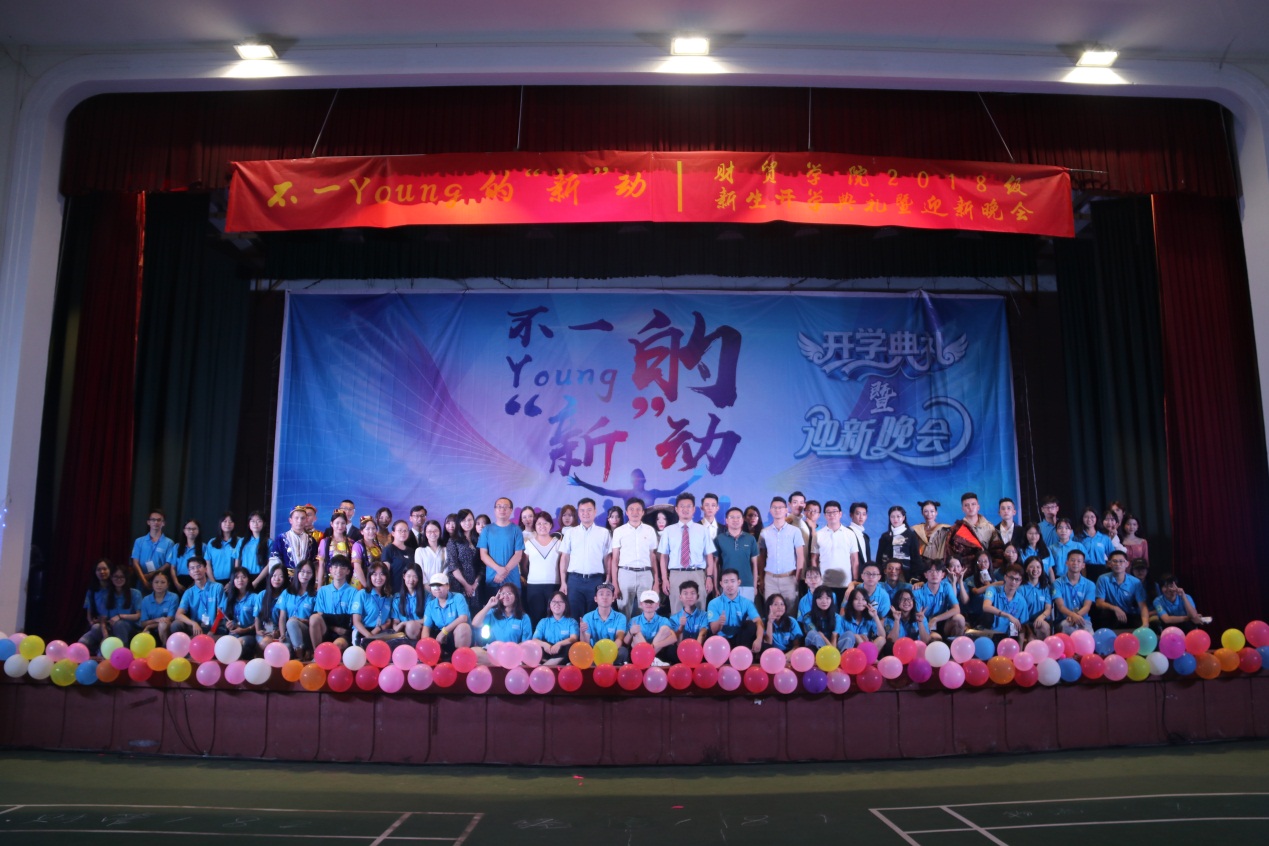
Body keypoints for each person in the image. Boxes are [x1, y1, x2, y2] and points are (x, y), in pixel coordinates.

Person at [658, 493, 716, 615]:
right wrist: (664, 579)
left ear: (694, 509)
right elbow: (664, 557)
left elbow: (709, 556)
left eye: (689, 506)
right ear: (676, 509)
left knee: (699, 609)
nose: (685, 509)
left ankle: (699, 629)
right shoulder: (668, 530)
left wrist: (709, 577)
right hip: (676, 574)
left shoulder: (702, 530)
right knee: (677, 610)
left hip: (698, 573)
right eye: (682, 506)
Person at [559, 498, 612, 619]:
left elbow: (607, 558)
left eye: (589, 510)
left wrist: (608, 578)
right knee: (573, 615)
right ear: (578, 513)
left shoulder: (604, 533)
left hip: (596, 580)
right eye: (582, 510)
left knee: (594, 617)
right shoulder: (571, 533)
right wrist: (563, 582)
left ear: (595, 511)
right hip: (574, 580)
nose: (585, 513)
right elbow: (565, 557)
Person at [610, 497, 659, 619]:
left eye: (638, 509)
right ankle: (624, 632)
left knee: (646, 611)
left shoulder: (650, 530)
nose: (635, 512)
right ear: (626, 512)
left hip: (645, 574)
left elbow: (653, 557)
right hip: (625, 574)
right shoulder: (619, 531)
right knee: (623, 611)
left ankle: (642, 632)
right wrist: (615, 583)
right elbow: (615, 559)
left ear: (643, 512)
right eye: (631, 509)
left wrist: (656, 581)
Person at [81, 563, 142, 653]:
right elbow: (103, 619)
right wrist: (105, 636)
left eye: (122, 577)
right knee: (90, 634)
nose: (118, 579)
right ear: (111, 578)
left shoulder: (135, 593)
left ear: (126, 578)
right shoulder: (107, 594)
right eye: (116, 577)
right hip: (110, 628)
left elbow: (138, 615)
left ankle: (122, 651)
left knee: (119, 624)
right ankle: (101, 649)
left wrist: (120, 616)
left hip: (129, 628)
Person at [758, 496, 804, 611]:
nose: (777, 510)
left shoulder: (795, 531)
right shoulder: (764, 532)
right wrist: (762, 578)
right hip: (770, 579)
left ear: (786, 510)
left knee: (790, 613)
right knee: (771, 613)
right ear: (770, 510)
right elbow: (761, 557)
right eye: (774, 507)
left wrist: (797, 578)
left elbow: (800, 556)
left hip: (789, 578)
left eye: (780, 507)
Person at [478, 497, 526, 604]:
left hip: (512, 580)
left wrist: (503, 572)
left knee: (514, 611)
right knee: (493, 612)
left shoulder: (516, 529)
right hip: (493, 579)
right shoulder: (487, 530)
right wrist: (498, 569)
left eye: (505, 507)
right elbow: (483, 555)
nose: (502, 509)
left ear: (511, 510)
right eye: (499, 507)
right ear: (495, 510)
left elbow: (518, 555)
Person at [943, 492, 1003, 572]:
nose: (970, 507)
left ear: (978, 507)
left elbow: (997, 552)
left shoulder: (989, 527)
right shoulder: (956, 529)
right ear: (962, 509)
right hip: (965, 572)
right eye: (966, 505)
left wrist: (992, 568)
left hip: (987, 570)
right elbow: (949, 554)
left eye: (973, 504)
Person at [707, 569, 764, 653]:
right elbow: (713, 630)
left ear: (738, 582)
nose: (729, 585)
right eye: (726, 582)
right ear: (721, 584)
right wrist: (719, 622)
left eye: (732, 581)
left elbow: (759, 622)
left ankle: (742, 653)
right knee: (709, 634)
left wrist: (759, 639)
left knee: (750, 625)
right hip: (721, 640)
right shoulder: (713, 603)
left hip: (740, 639)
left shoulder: (747, 602)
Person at [813, 499, 858, 605]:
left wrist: (855, 581)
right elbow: (814, 559)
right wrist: (816, 580)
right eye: (828, 512)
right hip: (824, 583)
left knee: (843, 611)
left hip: (845, 583)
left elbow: (854, 560)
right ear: (825, 515)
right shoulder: (818, 535)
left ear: (840, 514)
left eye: (834, 511)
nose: (832, 514)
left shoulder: (850, 534)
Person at [713, 506, 760, 603]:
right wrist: (716, 587)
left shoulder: (750, 539)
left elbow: (755, 565)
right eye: (732, 517)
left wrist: (754, 586)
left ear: (743, 520)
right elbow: (715, 565)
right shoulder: (719, 539)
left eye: (738, 517)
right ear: (726, 520)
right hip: (726, 585)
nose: (735, 520)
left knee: (746, 613)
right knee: (727, 612)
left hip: (747, 585)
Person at [523, 511, 562, 624]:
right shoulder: (529, 544)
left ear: (551, 525)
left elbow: (562, 564)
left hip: (554, 584)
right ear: (535, 526)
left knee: (553, 617)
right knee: (536, 617)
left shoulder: (558, 543)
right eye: (539, 524)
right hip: (534, 586)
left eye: (545, 523)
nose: (542, 526)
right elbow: (524, 566)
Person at [1094, 550, 1149, 630]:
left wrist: (1145, 624)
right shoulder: (1103, 579)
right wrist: (1115, 608)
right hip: (1112, 614)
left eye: (1121, 561)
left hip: (1130, 614)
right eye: (1115, 561)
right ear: (1109, 564)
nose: (1118, 564)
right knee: (1105, 614)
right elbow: (1099, 603)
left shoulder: (1135, 582)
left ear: (1127, 564)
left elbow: (1142, 606)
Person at [310, 555, 357, 648]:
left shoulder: (354, 592)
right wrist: (334, 628)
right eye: (335, 567)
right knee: (314, 618)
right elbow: (319, 614)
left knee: (337, 645)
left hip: (344, 631)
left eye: (343, 567)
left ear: (348, 571)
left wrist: (331, 619)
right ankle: (316, 652)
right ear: (330, 570)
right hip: (327, 628)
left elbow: (351, 618)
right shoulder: (323, 590)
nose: (338, 570)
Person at [172, 557, 225, 638]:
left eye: (199, 566)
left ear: (205, 569)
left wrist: (212, 631)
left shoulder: (217, 587)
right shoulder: (189, 592)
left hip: (215, 629)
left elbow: (221, 613)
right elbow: (178, 614)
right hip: (197, 629)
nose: (196, 570)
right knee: (176, 624)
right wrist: (193, 623)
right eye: (192, 568)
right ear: (189, 573)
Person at [471, 583, 533, 652]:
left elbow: (526, 643)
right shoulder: (492, 612)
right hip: (493, 652)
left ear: (516, 597)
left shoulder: (524, 617)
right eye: (503, 593)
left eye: (509, 593)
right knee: (474, 651)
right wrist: (489, 605)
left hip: (513, 653)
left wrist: (510, 649)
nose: (506, 596)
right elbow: (475, 623)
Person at [912, 560, 965, 640]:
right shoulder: (917, 591)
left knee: (959, 618)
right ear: (925, 575)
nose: (934, 574)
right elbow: (918, 617)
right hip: (925, 625)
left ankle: (954, 645)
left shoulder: (946, 586)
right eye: (931, 571)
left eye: (938, 571)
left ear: (943, 575)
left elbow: (956, 609)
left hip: (942, 622)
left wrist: (936, 619)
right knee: (936, 638)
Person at [422, 572, 473, 653]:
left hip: (457, 636)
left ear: (448, 586)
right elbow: (426, 628)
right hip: (441, 639)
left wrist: (444, 632)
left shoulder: (458, 597)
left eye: (440, 585)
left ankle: (461, 655)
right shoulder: (430, 605)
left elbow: (463, 618)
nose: (437, 588)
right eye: (433, 586)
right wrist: (425, 646)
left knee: (463, 627)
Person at [579, 582, 628, 662]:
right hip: (594, 652)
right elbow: (585, 643)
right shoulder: (587, 617)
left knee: (623, 651)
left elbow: (619, 639)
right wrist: (582, 632)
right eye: (601, 594)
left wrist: (607, 653)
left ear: (613, 598)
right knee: (582, 651)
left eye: (608, 594)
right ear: (595, 599)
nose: (604, 597)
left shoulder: (620, 617)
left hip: (611, 652)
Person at [278, 560, 317, 660]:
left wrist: (300, 620)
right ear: (297, 573)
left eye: (309, 572)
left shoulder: (315, 595)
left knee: (292, 622)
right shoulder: (287, 592)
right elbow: (282, 617)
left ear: (313, 575)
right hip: (289, 632)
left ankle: (300, 656)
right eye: (302, 572)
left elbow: (316, 621)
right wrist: (282, 634)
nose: (305, 575)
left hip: (307, 632)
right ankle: (298, 653)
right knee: (284, 650)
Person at [528, 591, 579, 666]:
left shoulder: (571, 622)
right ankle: (553, 662)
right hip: (548, 650)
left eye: (560, 602)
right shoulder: (543, 622)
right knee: (535, 646)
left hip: (563, 651)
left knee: (570, 647)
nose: (557, 604)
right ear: (550, 605)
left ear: (566, 605)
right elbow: (534, 639)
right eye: (554, 602)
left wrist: (559, 644)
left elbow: (574, 638)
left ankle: (544, 666)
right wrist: (545, 645)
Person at [627, 589, 676, 665]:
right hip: (638, 652)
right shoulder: (634, 620)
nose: (649, 604)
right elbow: (626, 642)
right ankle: (649, 659)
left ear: (657, 604)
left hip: (658, 651)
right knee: (636, 633)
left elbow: (673, 638)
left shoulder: (663, 620)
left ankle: (649, 658)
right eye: (646, 602)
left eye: (651, 602)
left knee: (665, 629)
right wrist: (630, 632)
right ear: (641, 604)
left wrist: (654, 645)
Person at [351, 561, 395, 646]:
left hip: (381, 632)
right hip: (363, 632)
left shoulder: (389, 597)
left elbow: (388, 621)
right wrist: (370, 636)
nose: (378, 578)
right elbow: (356, 621)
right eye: (374, 574)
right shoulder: (362, 594)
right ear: (370, 577)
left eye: (382, 574)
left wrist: (379, 629)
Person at [130, 510, 175, 591]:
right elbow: (135, 562)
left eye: (159, 520)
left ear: (163, 523)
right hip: (141, 580)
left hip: (160, 582)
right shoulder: (139, 541)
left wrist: (151, 575)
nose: (156, 522)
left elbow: (168, 564)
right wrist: (143, 580)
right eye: (153, 520)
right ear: (148, 522)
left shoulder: (169, 543)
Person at [317, 512, 365, 588]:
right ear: (331, 524)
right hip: (329, 582)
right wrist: (319, 587)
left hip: (347, 582)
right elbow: (321, 565)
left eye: (343, 523)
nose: (340, 526)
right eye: (337, 523)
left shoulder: (351, 542)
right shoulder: (325, 542)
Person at [445, 509, 482, 607]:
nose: (467, 523)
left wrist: (475, 584)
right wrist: (466, 585)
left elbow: (482, 565)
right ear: (459, 522)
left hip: (476, 585)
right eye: (463, 520)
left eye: (469, 520)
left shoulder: (478, 539)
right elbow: (453, 566)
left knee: (476, 612)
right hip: (459, 585)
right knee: (461, 611)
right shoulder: (453, 541)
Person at [1051, 550, 1095, 633]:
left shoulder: (1090, 584)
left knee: (1089, 637)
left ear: (1083, 565)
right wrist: (1072, 615)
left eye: (1079, 561)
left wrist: (1076, 616)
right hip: (1064, 620)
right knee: (1069, 629)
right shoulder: (1057, 583)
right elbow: (1060, 606)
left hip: (1083, 620)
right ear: (1067, 563)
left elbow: (1087, 606)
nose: (1075, 563)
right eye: (1072, 560)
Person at [983, 565, 1030, 640]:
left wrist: (1019, 647)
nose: (1013, 582)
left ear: (1020, 582)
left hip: (1008, 637)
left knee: (1015, 627)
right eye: (1011, 578)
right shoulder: (993, 590)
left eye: (1017, 579)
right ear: (1005, 577)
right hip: (989, 632)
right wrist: (1008, 616)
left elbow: (1022, 629)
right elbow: (986, 607)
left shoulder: (1022, 601)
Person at [269, 506, 317, 580]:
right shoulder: (281, 538)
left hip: (306, 579)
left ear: (306, 520)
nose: (299, 521)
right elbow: (275, 562)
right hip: (286, 580)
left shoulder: (311, 540)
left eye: (303, 518)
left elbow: (314, 563)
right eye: (296, 518)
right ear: (290, 520)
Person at [222, 566, 259, 658]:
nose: (240, 580)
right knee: (225, 646)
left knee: (238, 644)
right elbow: (225, 619)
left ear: (248, 579)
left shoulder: (255, 597)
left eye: (243, 577)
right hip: (233, 633)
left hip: (250, 634)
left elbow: (259, 621)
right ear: (233, 581)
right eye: (237, 577)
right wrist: (228, 625)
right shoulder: (228, 599)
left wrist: (245, 630)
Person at [876, 505, 920, 580]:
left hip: (905, 575)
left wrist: (915, 576)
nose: (895, 519)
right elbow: (879, 558)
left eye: (898, 516)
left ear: (903, 517)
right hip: (887, 574)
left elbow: (916, 558)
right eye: (892, 517)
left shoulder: (910, 535)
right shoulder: (885, 536)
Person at [79, 558, 113, 649]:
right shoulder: (92, 591)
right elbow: (89, 612)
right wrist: (91, 622)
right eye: (98, 569)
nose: (102, 572)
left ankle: (102, 648)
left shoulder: (116, 589)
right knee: (81, 643)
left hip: (112, 625)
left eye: (105, 569)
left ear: (110, 570)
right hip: (98, 624)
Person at [138, 570, 178, 646]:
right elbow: (143, 623)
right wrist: (155, 620)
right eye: (156, 582)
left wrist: (150, 625)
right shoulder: (146, 600)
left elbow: (169, 619)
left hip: (166, 629)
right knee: (145, 634)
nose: (159, 585)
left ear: (168, 585)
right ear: (152, 584)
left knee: (163, 624)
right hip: (152, 630)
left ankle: (165, 648)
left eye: (163, 582)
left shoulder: (173, 597)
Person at [254, 565, 289, 651]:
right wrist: (258, 630)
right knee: (263, 644)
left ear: (285, 579)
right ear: (270, 577)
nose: (277, 579)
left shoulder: (287, 595)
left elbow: (286, 617)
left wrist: (280, 633)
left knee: (284, 648)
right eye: (274, 576)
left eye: (281, 576)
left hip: (283, 632)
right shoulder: (262, 594)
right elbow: (257, 615)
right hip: (265, 631)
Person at [800, 585, 846, 650]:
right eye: (820, 598)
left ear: (831, 600)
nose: (824, 601)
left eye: (827, 598)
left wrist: (833, 650)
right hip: (815, 647)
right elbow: (818, 635)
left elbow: (834, 636)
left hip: (833, 645)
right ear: (815, 600)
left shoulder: (837, 617)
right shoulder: (807, 617)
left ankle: (843, 654)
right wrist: (831, 650)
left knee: (849, 634)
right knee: (813, 634)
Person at [1019, 556, 1053, 639]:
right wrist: (1028, 630)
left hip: (1041, 620)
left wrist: (1041, 617)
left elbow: (1048, 608)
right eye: (1031, 567)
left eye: (1038, 567)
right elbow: (1019, 612)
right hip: (1024, 622)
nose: (1035, 569)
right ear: (1026, 569)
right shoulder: (1020, 589)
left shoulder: (1046, 588)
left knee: (1044, 626)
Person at [391, 563, 427, 641]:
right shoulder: (397, 597)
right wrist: (397, 626)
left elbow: (427, 619)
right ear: (404, 576)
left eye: (415, 577)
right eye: (408, 576)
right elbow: (395, 621)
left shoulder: (427, 596)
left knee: (411, 626)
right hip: (403, 633)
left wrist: (406, 623)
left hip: (421, 631)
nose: (411, 580)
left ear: (419, 578)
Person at [668, 580, 710, 645]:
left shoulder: (704, 615)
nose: (689, 596)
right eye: (685, 593)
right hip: (681, 648)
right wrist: (681, 627)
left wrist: (696, 647)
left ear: (698, 596)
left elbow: (703, 632)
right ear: (680, 597)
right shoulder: (673, 619)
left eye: (692, 593)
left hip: (699, 647)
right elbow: (673, 640)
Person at [204, 512, 242, 583]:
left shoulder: (239, 541)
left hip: (234, 581)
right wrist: (214, 583)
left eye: (231, 521)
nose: (228, 524)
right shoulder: (212, 542)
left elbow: (240, 564)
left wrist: (231, 582)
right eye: (225, 521)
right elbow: (207, 564)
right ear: (220, 523)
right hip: (214, 580)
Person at [1043, 518, 1082, 583]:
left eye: (1067, 528)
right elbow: (1050, 568)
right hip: (1058, 579)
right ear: (1056, 531)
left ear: (1071, 531)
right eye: (1060, 528)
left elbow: (1084, 565)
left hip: (1075, 578)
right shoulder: (1051, 548)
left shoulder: (1078, 546)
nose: (1063, 530)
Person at [168, 518, 204, 590]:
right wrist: (176, 583)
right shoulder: (177, 547)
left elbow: (205, 567)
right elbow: (173, 567)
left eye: (194, 529)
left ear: (198, 530)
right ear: (184, 530)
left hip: (196, 581)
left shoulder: (203, 547)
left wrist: (194, 583)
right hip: (178, 581)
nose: (191, 531)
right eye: (189, 528)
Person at [381, 519, 413, 593]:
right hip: (394, 591)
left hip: (409, 591)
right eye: (400, 530)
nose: (403, 533)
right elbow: (385, 571)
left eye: (405, 530)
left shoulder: (411, 551)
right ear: (393, 533)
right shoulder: (389, 549)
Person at [241, 511, 271, 588]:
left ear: (264, 523)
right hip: (243, 578)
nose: (255, 524)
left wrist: (256, 582)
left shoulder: (269, 542)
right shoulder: (242, 542)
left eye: (259, 521)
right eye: (253, 521)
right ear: (249, 524)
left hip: (261, 578)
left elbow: (270, 564)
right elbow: (237, 562)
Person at [846, 502, 872, 572]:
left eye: (864, 514)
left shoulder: (865, 537)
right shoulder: (846, 532)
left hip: (864, 574)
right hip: (850, 573)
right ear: (851, 515)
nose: (861, 517)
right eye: (858, 513)